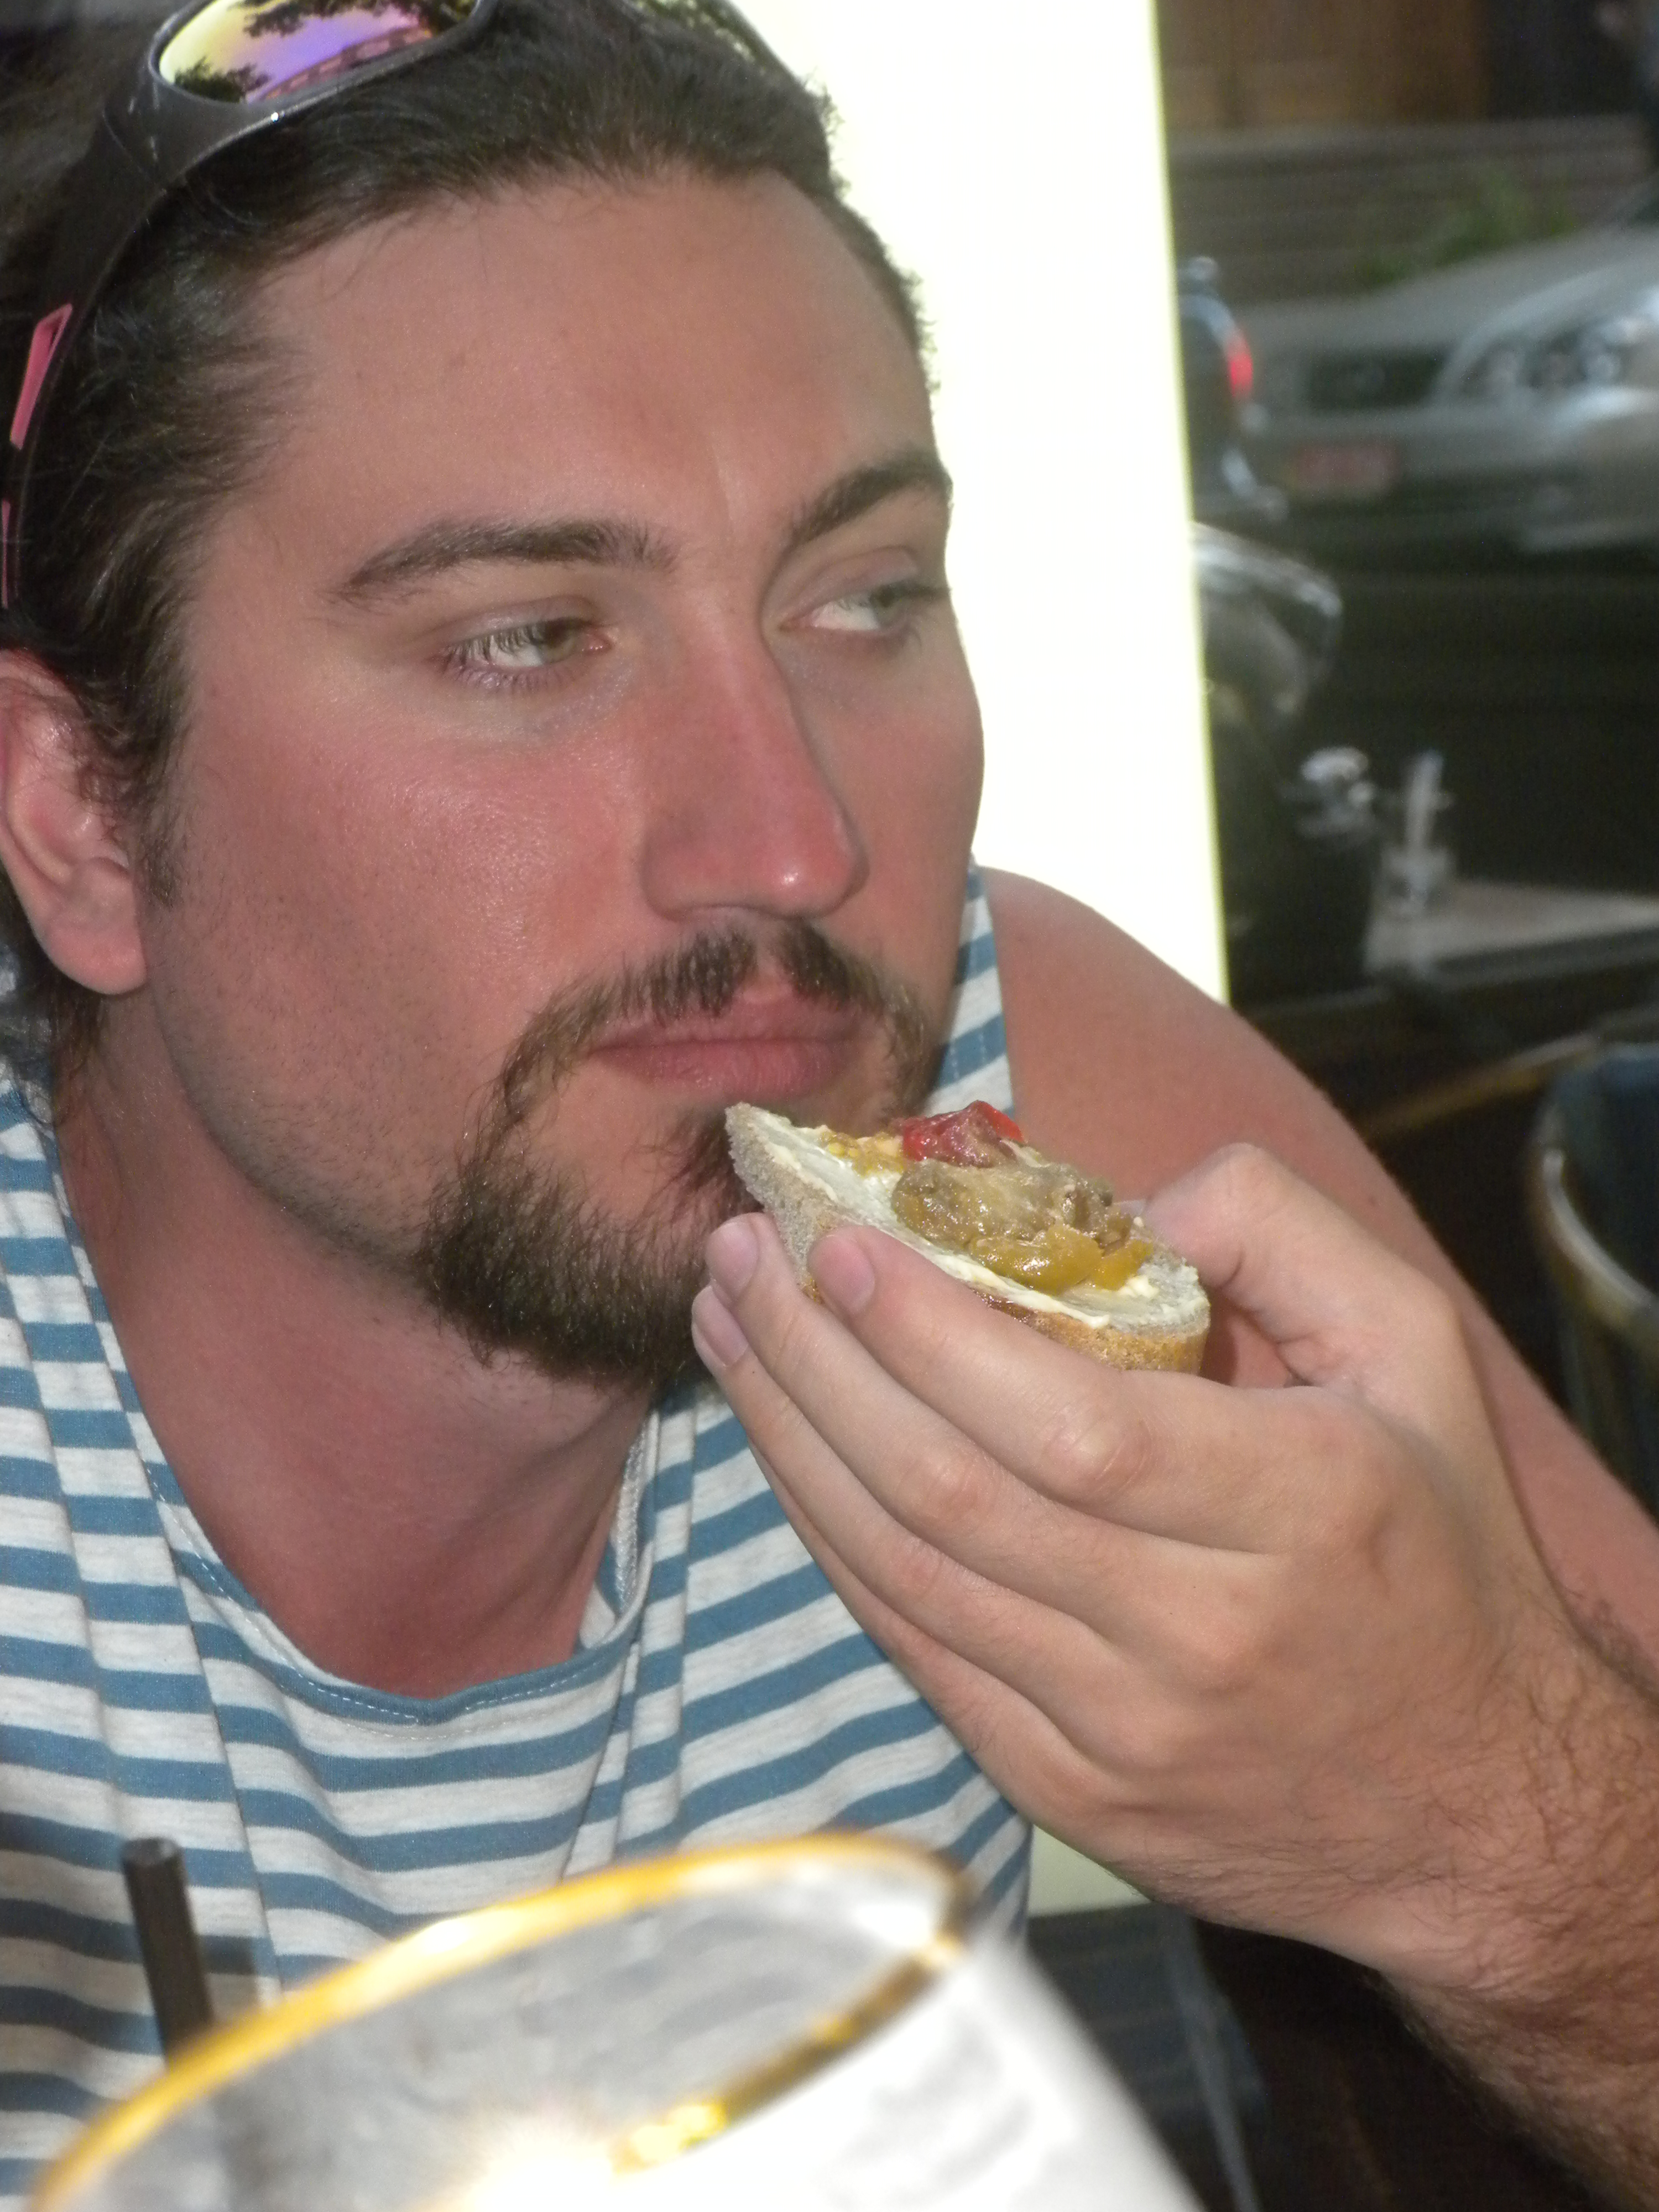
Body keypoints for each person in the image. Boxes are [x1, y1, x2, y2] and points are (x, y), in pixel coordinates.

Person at [0, 0, 1656, 2204]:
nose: (796, 848)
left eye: (863, 599)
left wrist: (1490, 1821)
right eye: (529, 638)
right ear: (85, 818)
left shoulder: (1007, 1113)